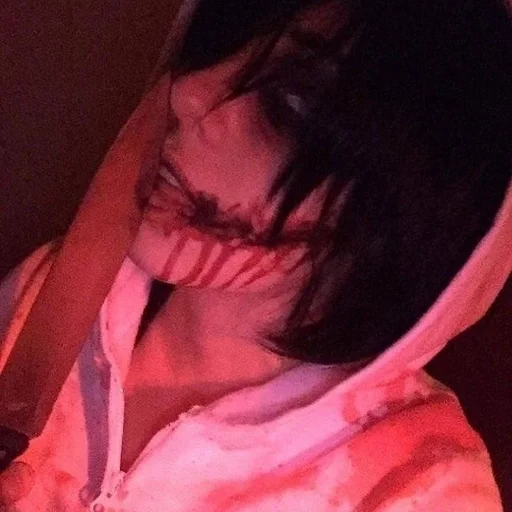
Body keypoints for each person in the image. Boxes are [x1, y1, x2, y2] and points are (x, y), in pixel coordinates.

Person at [0, 0, 511, 510]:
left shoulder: (424, 486)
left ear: (414, 204)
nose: (188, 92)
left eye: (291, 103)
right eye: (215, 47)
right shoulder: (51, 294)